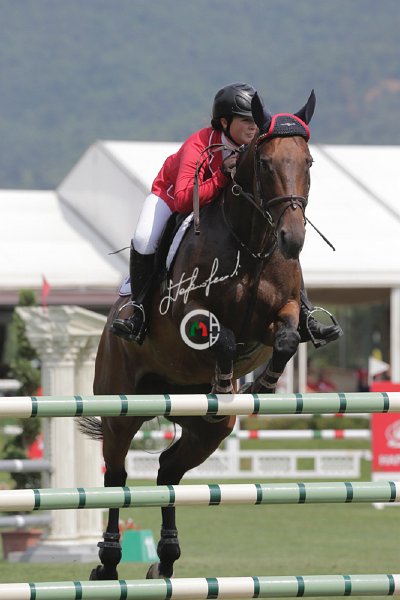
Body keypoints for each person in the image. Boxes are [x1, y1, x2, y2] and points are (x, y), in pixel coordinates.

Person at [111, 83, 343, 348]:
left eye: (255, 121)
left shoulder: (258, 146)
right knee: (144, 238)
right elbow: (185, 200)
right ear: (224, 122)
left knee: (281, 232)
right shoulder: (198, 145)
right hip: (173, 195)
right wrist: (221, 175)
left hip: (220, 201)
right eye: (246, 121)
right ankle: (138, 311)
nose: (253, 127)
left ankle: (305, 311)